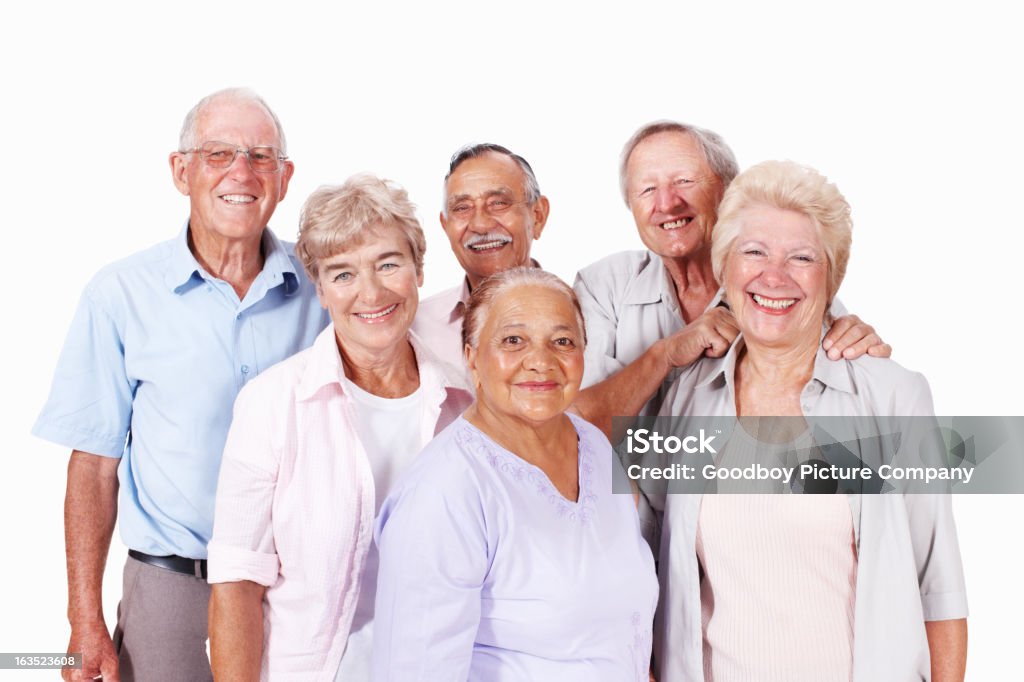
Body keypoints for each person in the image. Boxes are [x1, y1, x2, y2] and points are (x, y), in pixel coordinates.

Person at [32, 88, 327, 681]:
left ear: (285, 177)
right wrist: (84, 621)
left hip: (297, 588)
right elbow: (92, 467)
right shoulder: (119, 295)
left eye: (260, 156)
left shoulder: (328, 286)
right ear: (181, 170)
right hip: (171, 588)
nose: (241, 173)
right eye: (218, 153)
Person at [653, 160, 968, 681]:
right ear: (725, 267)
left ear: (831, 278)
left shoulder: (891, 395)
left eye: (801, 258)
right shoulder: (688, 397)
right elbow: (651, 565)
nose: (773, 276)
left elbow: (939, 583)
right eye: (753, 252)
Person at [207, 174, 472, 680]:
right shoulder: (272, 403)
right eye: (343, 274)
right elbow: (237, 583)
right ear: (321, 290)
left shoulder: (465, 401)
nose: (370, 292)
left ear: (418, 270)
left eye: (388, 264)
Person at [373, 267, 658, 681]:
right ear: (471, 356)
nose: (540, 362)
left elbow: (616, 620)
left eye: (562, 341)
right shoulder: (444, 493)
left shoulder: (594, 445)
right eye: (513, 341)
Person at [573, 121, 890, 435]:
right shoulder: (603, 287)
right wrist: (664, 354)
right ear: (631, 205)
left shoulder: (784, 287)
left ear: (726, 191)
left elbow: (851, 392)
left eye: (684, 181)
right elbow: (570, 428)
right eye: (647, 189)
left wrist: (855, 344)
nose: (667, 203)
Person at [412, 143, 549, 370]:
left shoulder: (588, 316)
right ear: (445, 227)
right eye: (462, 208)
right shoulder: (415, 329)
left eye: (498, 203)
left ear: (538, 216)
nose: (481, 225)